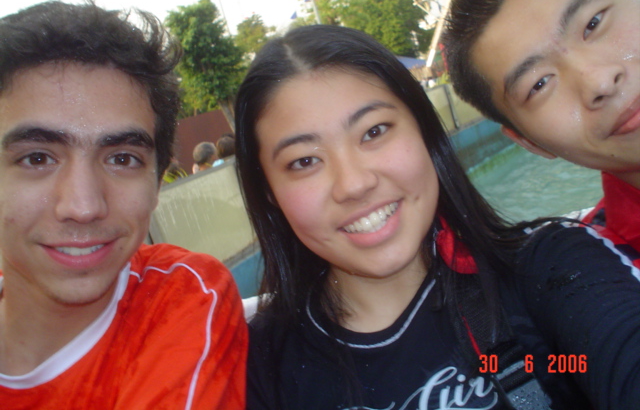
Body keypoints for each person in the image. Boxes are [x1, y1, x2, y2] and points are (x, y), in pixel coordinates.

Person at [235, 25, 640, 409]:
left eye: (374, 132)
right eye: (304, 161)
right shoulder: (257, 369)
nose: (354, 184)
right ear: (269, 192)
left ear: (424, 130)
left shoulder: (549, 268)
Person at [0, 0, 247, 409]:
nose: (83, 206)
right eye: (37, 158)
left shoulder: (179, 301)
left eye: (122, 159)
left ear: (157, 182)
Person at [443, 0, 640, 254]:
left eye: (593, 23)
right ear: (529, 142)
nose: (599, 82)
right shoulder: (608, 273)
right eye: (539, 84)